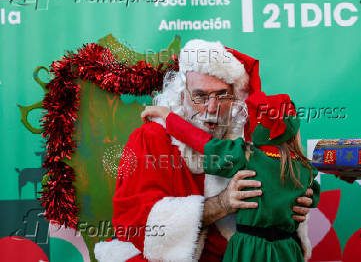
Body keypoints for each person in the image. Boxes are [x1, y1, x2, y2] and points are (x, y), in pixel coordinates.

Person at [94, 39, 315, 262]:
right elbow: (135, 223)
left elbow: (295, 178)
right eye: (200, 96)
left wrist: (296, 203)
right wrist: (221, 204)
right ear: (182, 96)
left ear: (237, 99)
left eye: (221, 95)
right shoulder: (151, 139)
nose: (211, 108)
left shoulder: (252, 139)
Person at [142, 91, 320, 261]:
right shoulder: (306, 169)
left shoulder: (245, 156)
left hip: (248, 250)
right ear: (295, 131)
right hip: (286, 250)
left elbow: (200, 141)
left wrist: (167, 115)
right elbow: (311, 198)